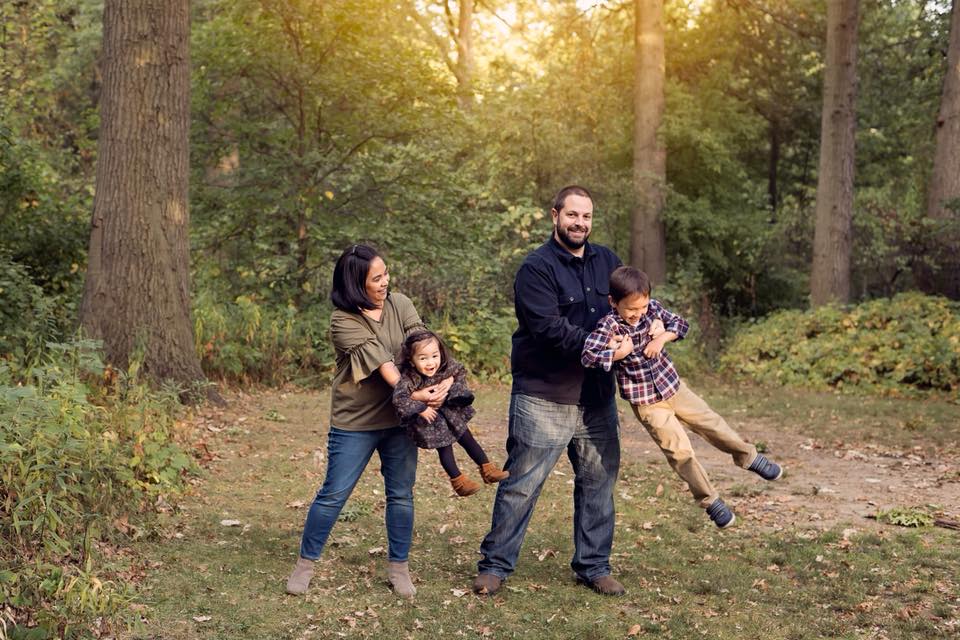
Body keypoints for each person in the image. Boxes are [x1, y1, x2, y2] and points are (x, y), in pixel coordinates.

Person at [473, 185, 630, 597]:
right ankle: (495, 565)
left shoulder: (609, 262)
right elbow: (549, 329)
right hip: (544, 395)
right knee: (522, 485)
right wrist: (604, 348)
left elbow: (630, 309)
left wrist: (641, 335)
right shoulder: (536, 268)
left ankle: (594, 566)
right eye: (572, 215)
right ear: (555, 215)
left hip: (596, 397)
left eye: (586, 216)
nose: (580, 223)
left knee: (598, 484)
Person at [286, 244, 451, 598]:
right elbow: (384, 366)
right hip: (356, 421)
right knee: (334, 494)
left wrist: (445, 382)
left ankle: (399, 568)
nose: (385, 282)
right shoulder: (343, 320)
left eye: (386, 273)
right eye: (377, 278)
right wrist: (419, 396)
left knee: (401, 494)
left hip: (399, 420)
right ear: (356, 284)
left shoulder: (400, 304)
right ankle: (305, 565)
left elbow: (425, 347)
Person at [581, 266, 784, 529]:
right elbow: (588, 355)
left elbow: (681, 324)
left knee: (712, 424)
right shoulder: (608, 326)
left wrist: (662, 337)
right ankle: (710, 500)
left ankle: (749, 456)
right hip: (647, 403)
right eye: (631, 309)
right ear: (613, 302)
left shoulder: (652, 310)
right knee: (679, 451)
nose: (638, 313)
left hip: (674, 387)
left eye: (642, 307)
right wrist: (619, 353)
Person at [392, 330, 509, 497]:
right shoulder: (409, 378)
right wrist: (421, 408)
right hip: (431, 419)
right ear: (411, 360)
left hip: (450, 412)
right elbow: (399, 398)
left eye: (434, 356)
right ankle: (459, 482)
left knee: (467, 438)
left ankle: (488, 469)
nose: (430, 362)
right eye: (423, 358)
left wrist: (451, 380)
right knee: (445, 449)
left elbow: (460, 370)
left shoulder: (446, 366)